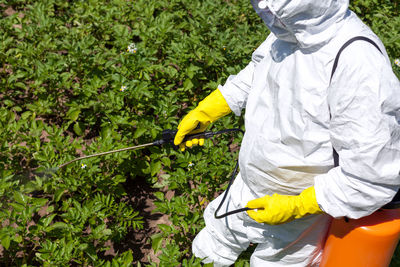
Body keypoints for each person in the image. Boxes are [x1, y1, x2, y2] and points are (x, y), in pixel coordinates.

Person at [174, 0, 400, 266]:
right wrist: (213, 107)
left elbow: (372, 174)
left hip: (299, 206)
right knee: (218, 234)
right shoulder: (292, 28)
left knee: (278, 260)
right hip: (251, 175)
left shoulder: (358, 61)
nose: (267, 15)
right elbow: (260, 69)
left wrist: (298, 206)